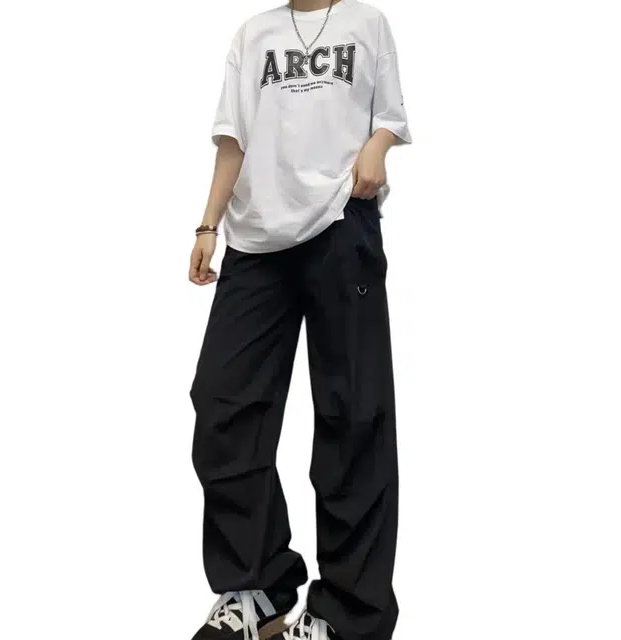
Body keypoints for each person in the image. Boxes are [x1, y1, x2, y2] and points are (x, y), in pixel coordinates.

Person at [188, 1, 411, 639]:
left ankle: (349, 613)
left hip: (341, 223)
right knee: (223, 404)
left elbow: (390, 118)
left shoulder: (366, 24)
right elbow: (233, 140)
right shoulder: (252, 33)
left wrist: (377, 148)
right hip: (255, 239)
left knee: (353, 415)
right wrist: (207, 224)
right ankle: (257, 587)